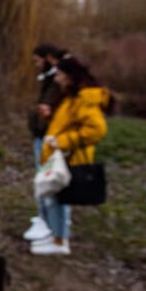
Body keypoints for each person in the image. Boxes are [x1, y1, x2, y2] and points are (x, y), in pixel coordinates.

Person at [31, 56, 111, 255]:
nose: (56, 78)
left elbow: (97, 130)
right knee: (53, 197)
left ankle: (60, 242)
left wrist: (63, 141)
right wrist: (50, 116)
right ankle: (54, 235)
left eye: (59, 74)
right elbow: (70, 122)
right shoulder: (71, 96)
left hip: (69, 157)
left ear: (69, 76)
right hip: (58, 155)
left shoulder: (84, 99)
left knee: (59, 199)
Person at [23, 44, 67, 242]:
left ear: (48, 58)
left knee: (48, 180)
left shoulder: (58, 78)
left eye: (38, 60)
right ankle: (50, 223)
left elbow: (49, 106)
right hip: (46, 136)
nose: (36, 65)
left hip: (49, 138)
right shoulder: (52, 77)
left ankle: (51, 227)